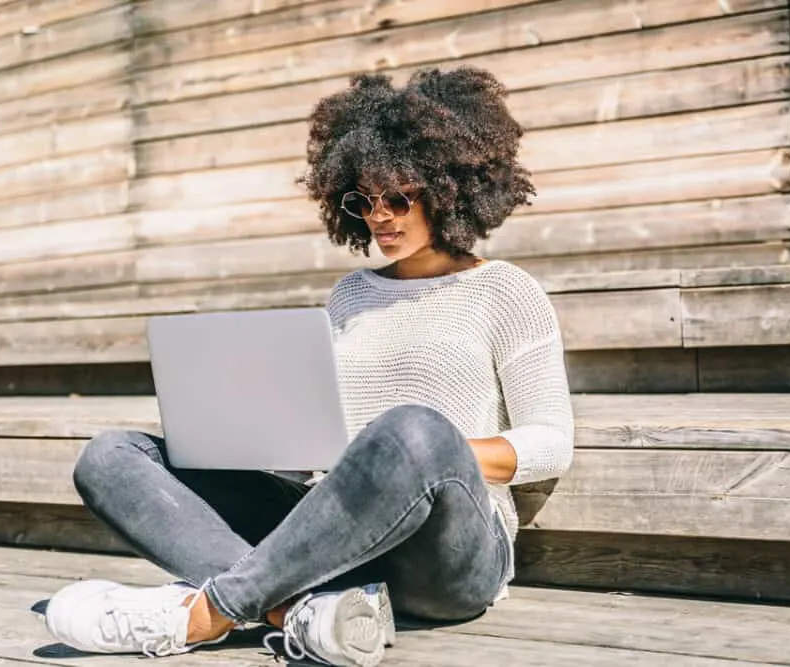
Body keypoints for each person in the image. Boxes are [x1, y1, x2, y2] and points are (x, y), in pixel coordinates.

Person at [42, 66, 574, 666]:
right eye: (363, 201)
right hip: (336, 541)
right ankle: (304, 614)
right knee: (111, 456)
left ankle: (208, 612)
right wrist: (273, 440)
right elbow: (323, 431)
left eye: (399, 197)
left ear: (450, 188)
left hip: (447, 558)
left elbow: (551, 442)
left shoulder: (505, 290)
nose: (380, 217)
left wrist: (412, 455)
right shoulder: (350, 295)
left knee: (411, 431)